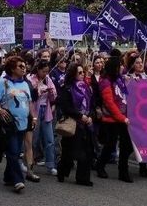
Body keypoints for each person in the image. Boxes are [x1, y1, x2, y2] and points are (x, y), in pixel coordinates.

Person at [0, 56, 36, 193]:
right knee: (14, 151)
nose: (24, 68)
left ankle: (8, 176)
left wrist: (32, 117)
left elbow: (29, 101)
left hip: (23, 123)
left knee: (14, 151)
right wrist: (0, 109)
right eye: (20, 66)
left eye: (24, 66)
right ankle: (18, 180)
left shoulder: (25, 83)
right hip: (9, 123)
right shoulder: (3, 83)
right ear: (12, 69)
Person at [95, 51, 137, 182]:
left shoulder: (119, 79)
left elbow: (124, 95)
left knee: (127, 145)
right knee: (110, 144)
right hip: (111, 119)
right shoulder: (105, 82)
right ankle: (100, 165)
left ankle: (123, 171)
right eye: (119, 66)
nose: (122, 68)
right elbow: (109, 103)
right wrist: (122, 117)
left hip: (122, 117)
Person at [56, 63, 95, 186]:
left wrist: (90, 116)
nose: (83, 74)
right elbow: (66, 107)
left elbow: (92, 104)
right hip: (74, 122)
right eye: (79, 72)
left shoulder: (87, 88)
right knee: (69, 151)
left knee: (88, 151)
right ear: (73, 74)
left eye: (83, 72)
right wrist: (79, 116)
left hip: (86, 123)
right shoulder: (67, 88)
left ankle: (83, 178)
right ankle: (62, 171)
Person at [28, 60, 57, 176]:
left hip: (47, 111)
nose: (45, 73)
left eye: (47, 71)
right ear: (38, 70)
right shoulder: (30, 79)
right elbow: (29, 96)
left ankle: (51, 164)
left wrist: (51, 92)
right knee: (33, 140)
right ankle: (28, 162)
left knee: (50, 140)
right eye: (43, 71)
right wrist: (37, 90)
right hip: (34, 111)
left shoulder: (48, 79)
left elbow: (54, 95)